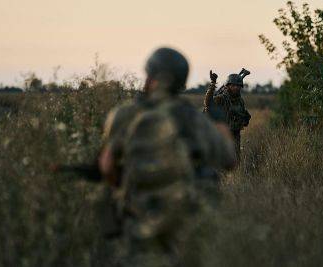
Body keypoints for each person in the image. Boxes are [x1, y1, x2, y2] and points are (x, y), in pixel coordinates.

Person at [98, 47, 236, 266]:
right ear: (181, 83)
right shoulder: (193, 119)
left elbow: (107, 166)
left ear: (150, 76)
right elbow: (229, 159)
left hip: (138, 223)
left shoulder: (124, 115)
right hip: (185, 226)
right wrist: (220, 124)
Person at [203, 68, 252, 157]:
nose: (236, 88)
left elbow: (243, 114)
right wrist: (213, 84)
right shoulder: (222, 98)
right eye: (233, 85)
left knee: (236, 159)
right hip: (222, 134)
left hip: (235, 134)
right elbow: (208, 103)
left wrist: (245, 118)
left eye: (238, 86)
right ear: (228, 86)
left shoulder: (240, 101)